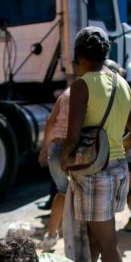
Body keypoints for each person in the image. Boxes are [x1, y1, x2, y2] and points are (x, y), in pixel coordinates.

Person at [61, 26, 131, 262]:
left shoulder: (83, 85)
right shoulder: (122, 83)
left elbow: (72, 137)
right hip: (119, 171)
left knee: (108, 245)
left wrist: (64, 160)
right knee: (95, 241)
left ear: (80, 56)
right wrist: (113, 148)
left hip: (95, 176)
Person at [38, 60, 83, 251]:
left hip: (55, 150)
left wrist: (44, 149)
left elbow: (50, 121)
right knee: (79, 195)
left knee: (62, 193)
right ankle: (78, 239)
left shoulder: (66, 94)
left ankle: (51, 236)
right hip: (71, 149)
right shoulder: (87, 94)